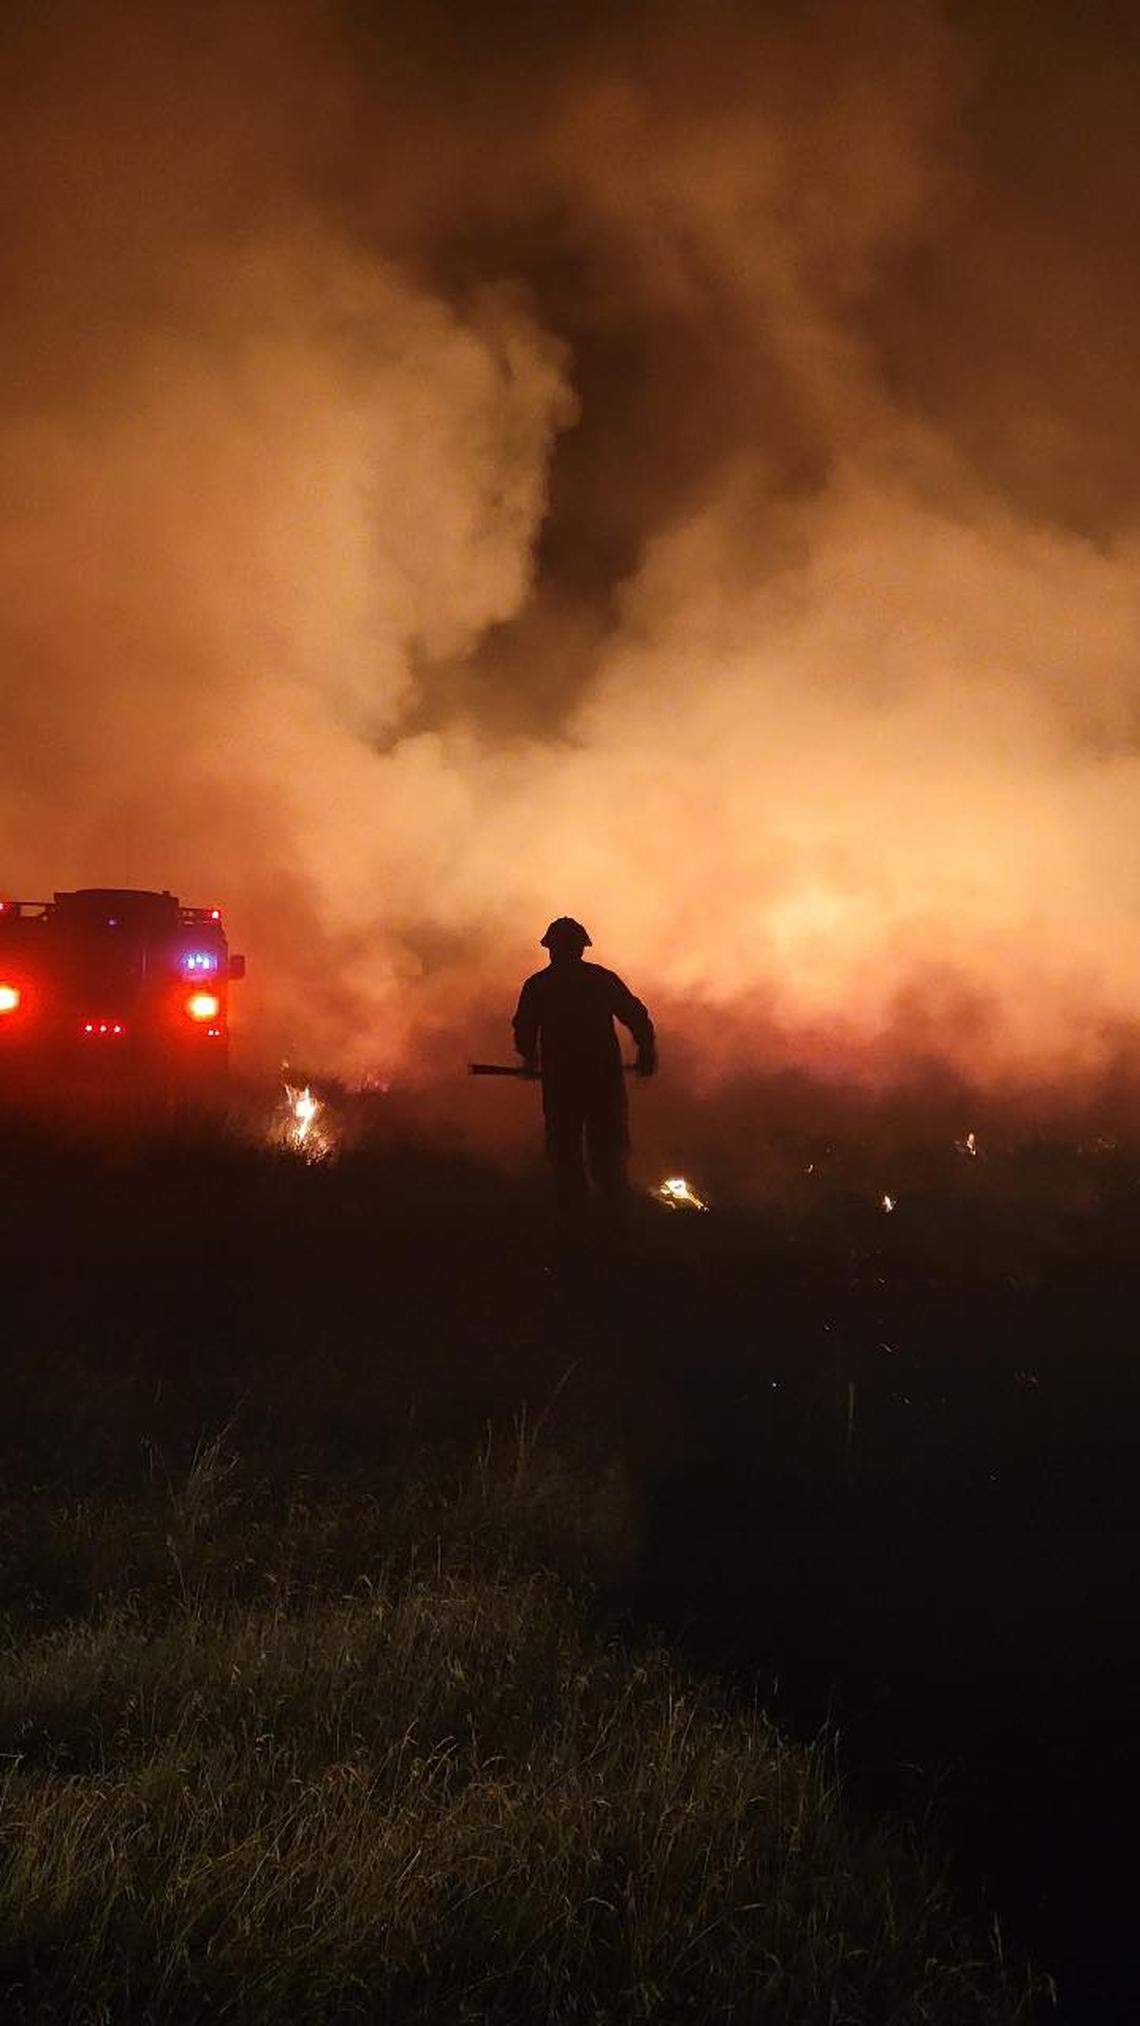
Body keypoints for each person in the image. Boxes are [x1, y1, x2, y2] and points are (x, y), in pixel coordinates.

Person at [513, 918, 656, 1209]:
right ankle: (610, 1212)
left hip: (563, 1080)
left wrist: (529, 1057)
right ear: (581, 949)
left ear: (551, 949)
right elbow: (635, 1015)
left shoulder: (540, 985)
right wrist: (645, 1050)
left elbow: (525, 1028)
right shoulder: (601, 980)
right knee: (606, 1147)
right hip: (600, 1078)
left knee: (566, 1148)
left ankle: (576, 1213)